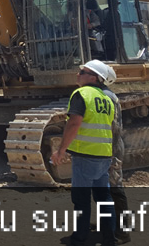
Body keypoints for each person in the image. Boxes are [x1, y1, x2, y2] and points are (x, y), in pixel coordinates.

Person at [51, 60, 116, 246]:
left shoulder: (81, 94)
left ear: (94, 77)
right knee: (104, 198)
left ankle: (79, 238)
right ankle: (109, 238)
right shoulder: (106, 98)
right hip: (103, 155)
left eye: (83, 71)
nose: (78, 74)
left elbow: (74, 123)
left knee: (81, 199)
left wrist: (61, 149)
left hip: (85, 155)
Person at [99, 65, 129, 245]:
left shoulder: (107, 97)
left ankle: (122, 230)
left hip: (110, 150)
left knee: (114, 188)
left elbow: (114, 128)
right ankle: (109, 225)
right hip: (105, 149)